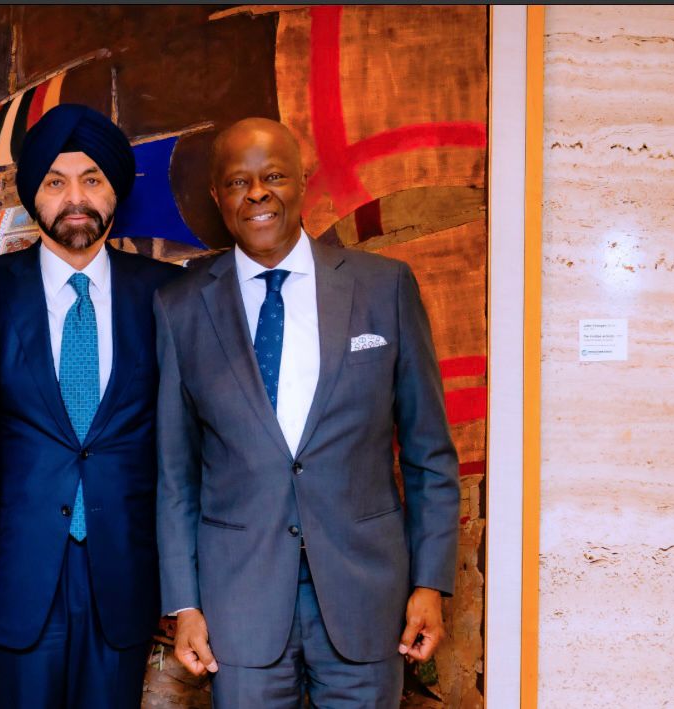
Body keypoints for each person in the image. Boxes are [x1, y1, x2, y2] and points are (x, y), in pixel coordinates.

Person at [153, 117, 460, 707]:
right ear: (217, 196)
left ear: (301, 182)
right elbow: (175, 476)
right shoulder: (180, 307)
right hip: (237, 606)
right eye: (238, 182)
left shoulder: (384, 288)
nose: (257, 194)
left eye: (273, 176)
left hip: (369, 599)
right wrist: (184, 604)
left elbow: (429, 455)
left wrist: (430, 583)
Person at [0, 104, 181, 708]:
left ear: (115, 189)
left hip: (123, 575)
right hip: (17, 573)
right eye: (55, 181)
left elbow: (184, 447)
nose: (75, 198)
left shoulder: (166, 295)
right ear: (32, 195)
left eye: (92, 179)